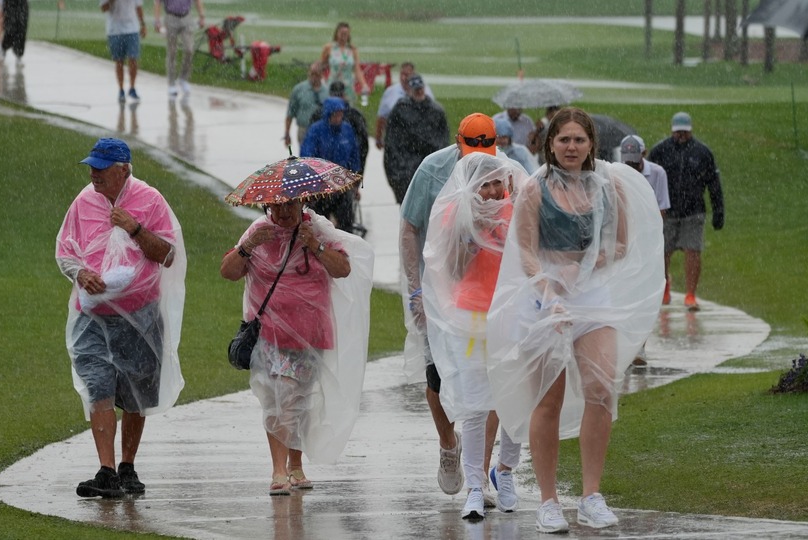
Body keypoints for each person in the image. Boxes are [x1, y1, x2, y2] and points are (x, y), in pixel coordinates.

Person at [483, 107, 664, 533]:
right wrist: (550, 288)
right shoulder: (535, 188)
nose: (571, 147)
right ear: (550, 143)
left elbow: (621, 243)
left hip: (592, 294)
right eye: (563, 139)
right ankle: (549, 502)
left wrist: (588, 264)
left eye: (579, 140)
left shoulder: (608, 186)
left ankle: (591, 496)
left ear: (590, 145)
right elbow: (526, 251)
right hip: (544, 298)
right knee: (548, 397)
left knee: (601, 389)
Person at [400, 113, 521, 510]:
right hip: (443, 296)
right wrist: (416, 289)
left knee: (494, 390)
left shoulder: (511, 174)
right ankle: (448, 444)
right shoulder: (433, 170)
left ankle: (482, 476)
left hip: (499, 307)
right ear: (458, 142)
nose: (489, 184)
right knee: (438, 379)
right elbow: (410, 228)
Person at [56, 138, 187, 498]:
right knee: (98, 387)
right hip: (92, 316)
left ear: (124, 169)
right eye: (91, 167)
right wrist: (80, 273)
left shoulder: (150, 200)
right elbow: (65, 250)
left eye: (101, 168)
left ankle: (127, 466)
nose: (94, 174)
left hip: (139, 314)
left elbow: (169, 255)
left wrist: (135, 229)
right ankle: (106, 470)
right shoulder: (83, 202)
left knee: (135, 393)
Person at [219, 197, 372, 495]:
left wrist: (315, 244)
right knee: (279, 397)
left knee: (298, 400)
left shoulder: (317, 229)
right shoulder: (258, 231)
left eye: (289, 205)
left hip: (310, 335)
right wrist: (248, 246)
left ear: (302, 201)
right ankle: (279, 470)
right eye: (276, 206)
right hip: (269, 335)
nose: (283, 211)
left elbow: (342, 268)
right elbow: (228, 271)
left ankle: (295, 465)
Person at [421, 152, 529, 519]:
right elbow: (450, 270)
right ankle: (474, 486)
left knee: (514, 400)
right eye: (485, 184)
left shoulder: (518, 211)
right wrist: (471, 237)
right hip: (471, 317)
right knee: (474, 405)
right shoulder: (458, 214)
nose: (493, 190)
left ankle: (506, 471)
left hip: (511, 314)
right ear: (471, 187)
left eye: (498, 182)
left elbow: (530, 257)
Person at [648, 112, 725, 311]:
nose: (681, 135)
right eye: (677, 132)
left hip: (693, 211)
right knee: (663, 253)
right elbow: (648, 180)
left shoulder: (702, 153)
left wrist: (718, 210)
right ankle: (664, 286)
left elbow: (713, 184)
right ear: (672, 131)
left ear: (690, 131)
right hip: (666, 211)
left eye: (684, 132)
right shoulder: (660, 151)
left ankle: (690, 294)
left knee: (693, 251)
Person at [620, 134, 670, 366]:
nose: (631, 164)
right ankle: (626, 346)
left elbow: (662, 209)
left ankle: (640, 347)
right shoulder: (617, 173)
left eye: (635, 159)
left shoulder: (658, 173)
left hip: (647, 241)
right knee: (624, 295)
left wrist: (643, 226)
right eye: (627, 160)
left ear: (644, 153)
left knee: (643, 296)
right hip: (624, 241)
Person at [383, 74, 449, 204]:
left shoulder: (436, 111)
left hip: (428, 166)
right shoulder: (400, 110)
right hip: (406, 167)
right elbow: (392, 141)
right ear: (409, 90)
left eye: (420, 89)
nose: (419, 92)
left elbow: (443, 142)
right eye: (416, 89)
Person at [300, 97, 362, 234]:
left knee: (346, 222)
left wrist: (355, 182)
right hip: (321, 187)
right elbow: (307, 156)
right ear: (328, 114)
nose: (339, 118)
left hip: (342, 184)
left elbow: (354, 155)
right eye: (336, 114)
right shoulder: (316, 130)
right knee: (319, 225)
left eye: (341, 114)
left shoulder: (347, 130)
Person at [310, 81, 369, 177]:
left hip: (344, 175)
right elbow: (308, 151)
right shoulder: (317, 123)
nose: (338, 118)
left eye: (340, 115)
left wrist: (356, 174)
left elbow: (358, 150)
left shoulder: (351, 122)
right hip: (322, 175)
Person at [374, 62, 434, 150]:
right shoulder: (390, 92)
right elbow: (382, 117)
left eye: (407, 75)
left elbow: (433, 115)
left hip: (419, 140)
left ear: (413, 75)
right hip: (396, 140)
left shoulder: (425, 92)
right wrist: (378, 138)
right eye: (402, 74)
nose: (403, 78)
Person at [153, 0, 205, 97]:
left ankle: (183, 78)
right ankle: (171, 83)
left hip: (186, 17)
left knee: (189, 49)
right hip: (171, 17)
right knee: (172, 52)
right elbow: (157, 2)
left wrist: (201, 16)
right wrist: (157, 20)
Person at [102, 0, 146, 103]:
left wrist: (143, 24)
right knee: (119, 61)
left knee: (133, 58)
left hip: (132, 29)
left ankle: (132, 87)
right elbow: (104, 8)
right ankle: (121, 89)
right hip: (115, 30)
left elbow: (138, 6)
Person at [319, 22, 368, 106]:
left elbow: (357, 69)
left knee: (347, 108)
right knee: (332, 106)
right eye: (342, 33)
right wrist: (322, 80)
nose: (343, 36)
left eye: (346, 34)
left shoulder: (352, 49)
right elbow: (321, 66)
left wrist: (364, 84)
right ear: (337, 33)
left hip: (348, 85)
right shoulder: (329, 48)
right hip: (333, 84)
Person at [283, 62, 328, 151]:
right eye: (312, 73)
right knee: (306, 155)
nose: (314, 77)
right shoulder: (299, 90)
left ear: (321, 75)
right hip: (304, 129)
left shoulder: (327, 91)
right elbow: (290, 113)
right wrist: (287, 133)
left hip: (322, 131)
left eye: (316, 74)